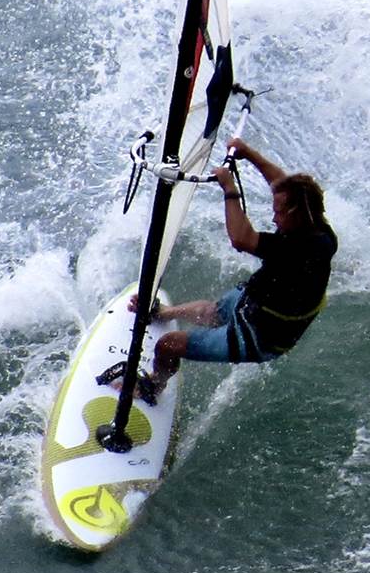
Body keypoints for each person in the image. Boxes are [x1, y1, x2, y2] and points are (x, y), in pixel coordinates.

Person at [123, 138, 337, 398]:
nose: (273, 217)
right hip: (256, 303)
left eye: (278, 212)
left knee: (168, 345)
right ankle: (165, 313)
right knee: (213, 311)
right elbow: (282, 184)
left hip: (260, 336)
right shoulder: (317, 225)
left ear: (294, 213)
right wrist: (248, 152)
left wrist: (229, 188)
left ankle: (155, 385)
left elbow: (241, 238)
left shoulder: (297, 249)